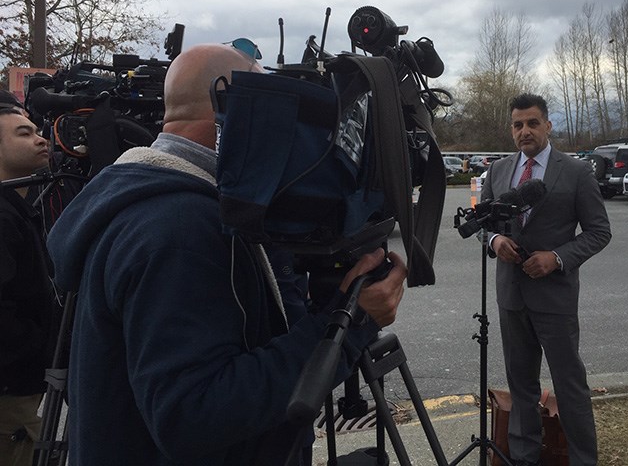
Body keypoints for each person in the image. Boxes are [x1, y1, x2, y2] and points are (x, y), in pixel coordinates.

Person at [46, 43, 408, 465]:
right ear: (233, 107)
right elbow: (192, 416)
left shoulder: (162, 201)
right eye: (268, 104)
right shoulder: (177, 229)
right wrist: (347, 327)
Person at [481, 93, 611, 466]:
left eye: (532, 123)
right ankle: (524, 459)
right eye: (518, 124)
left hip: (554, 299)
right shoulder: (499, 170)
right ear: (511, 129)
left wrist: (556, 258)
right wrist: (495, 240)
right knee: (521, 388)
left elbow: (599, 232)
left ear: (548, 126)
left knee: (570, 387)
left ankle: (583, 460)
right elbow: (483, 225)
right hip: (512, 296)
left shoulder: (575, 172)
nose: (525, 131)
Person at [0, 108, 55, 466]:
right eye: (24, 133)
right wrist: (39, 344)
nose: (40, 139)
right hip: (10, 388)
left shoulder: (18, 209)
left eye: (37, 130)